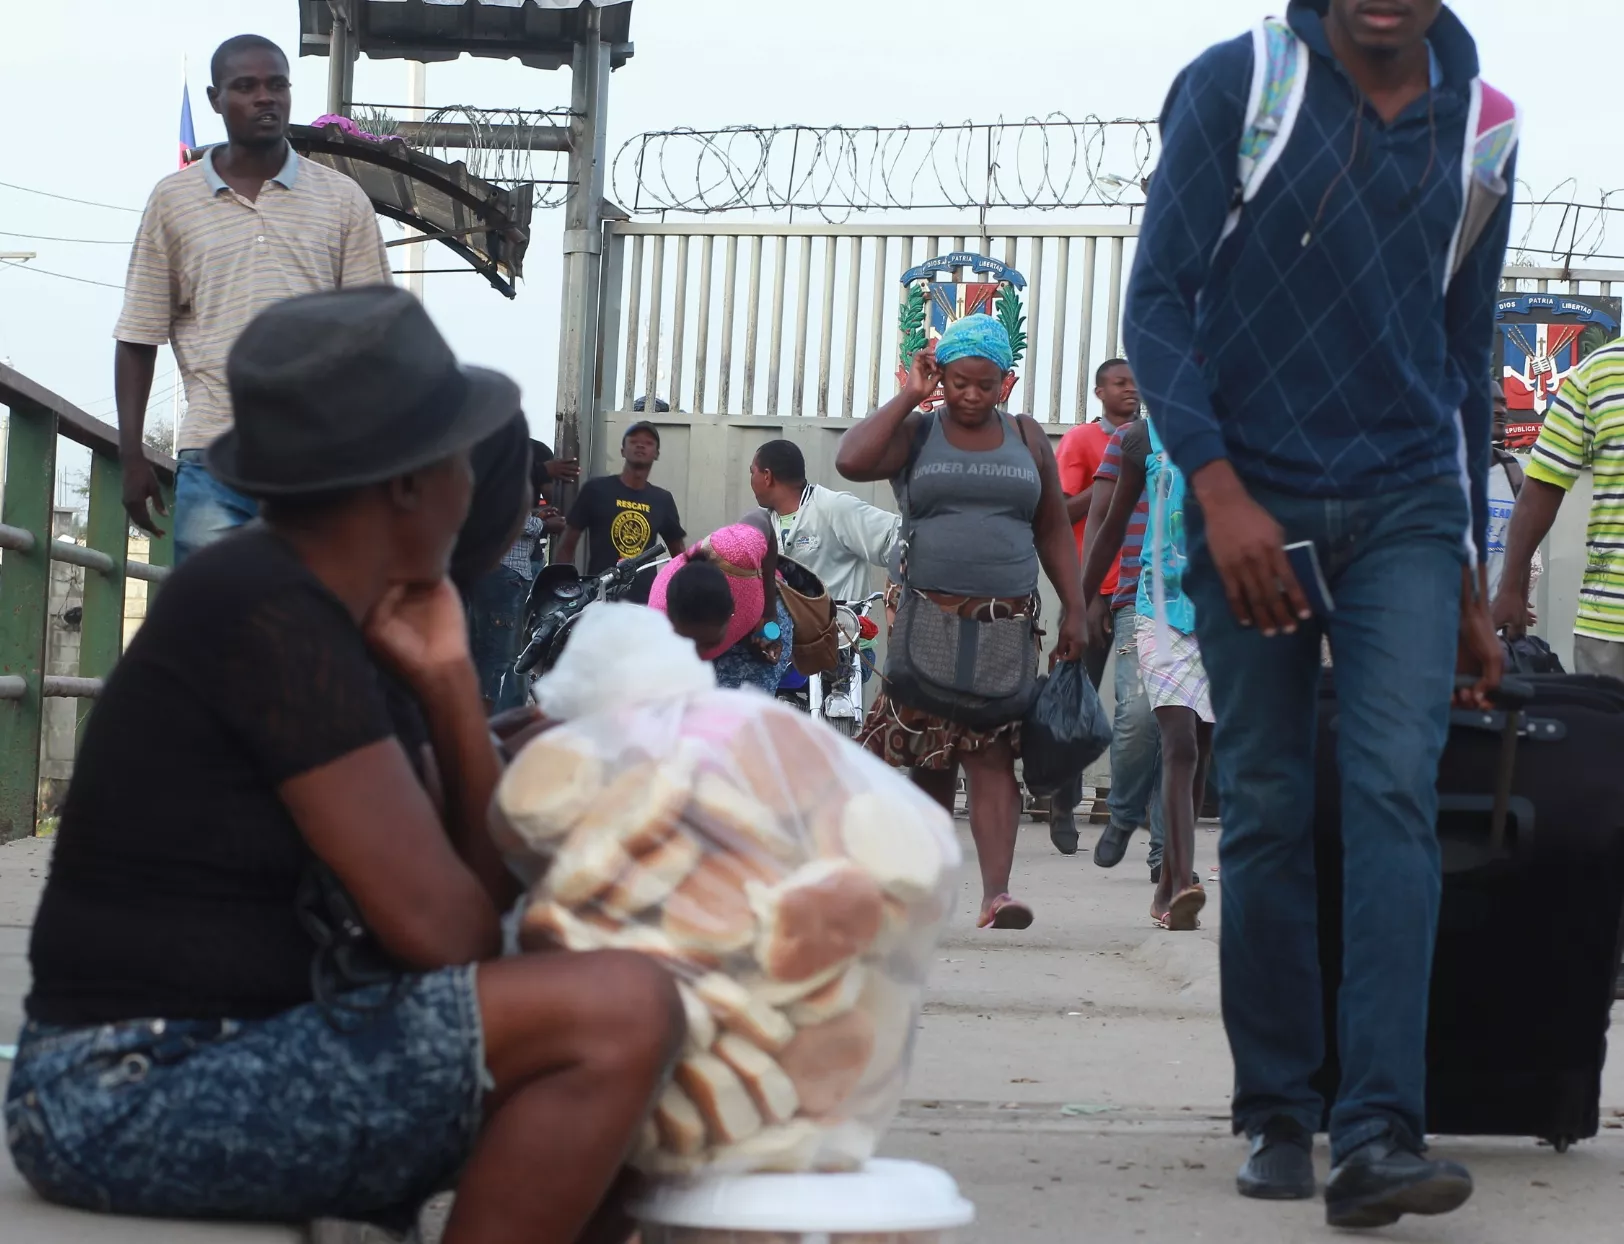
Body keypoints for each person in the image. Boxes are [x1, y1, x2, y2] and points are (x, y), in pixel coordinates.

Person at [4, 287, 682, 1244]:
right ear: (408, 484)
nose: (481, 481)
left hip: (237, 1047)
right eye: (457, 455)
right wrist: (453, 683)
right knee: (625, 1010)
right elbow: (450, 936)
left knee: (656, 1026)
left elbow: (473, 894)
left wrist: (451, 700)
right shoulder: (264, 609)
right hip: (130, 1088)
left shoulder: (345, 615)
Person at [1124, 0, 1511, 1225]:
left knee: (1394, 789)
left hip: (1403, 501)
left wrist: (1462, 574)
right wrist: (1220, 492)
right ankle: (1278, 1111)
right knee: (1274, 804)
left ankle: (1380, 1127)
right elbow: (1160, 305)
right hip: (1257, 496)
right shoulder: (1240, 87)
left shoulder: (1483, 129)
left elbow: (1463, 348)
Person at [835, 313, 1086, 931]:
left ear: (1008, 380)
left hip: (1006, 623)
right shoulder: (917, 432)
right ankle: (921, 891)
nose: (971, 396)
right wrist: (909, 396)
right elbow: (850, 461)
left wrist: (1075, 607)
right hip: (929, 618)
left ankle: (996, 894)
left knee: (993, 750)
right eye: (958, 382)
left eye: (986, 384)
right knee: (931, 754)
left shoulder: (1026, 437)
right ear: (939, 374)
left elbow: (1052, 523)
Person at [114, 34, 390, 563]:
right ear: (217, 99)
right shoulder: (173, 202)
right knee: (214, 632)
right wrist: (131, 455)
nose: (266, 97)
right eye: (246, 87)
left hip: (320, 462)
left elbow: (378, 335)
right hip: (216, 455)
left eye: (277, 84)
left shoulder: (341, 200)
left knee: (313, 627)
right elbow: (138, 333)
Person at [1081, 416, 1211, 930]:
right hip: (1162, 610)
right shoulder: (1143, 438)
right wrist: (1080, 602)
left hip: (1226, 616)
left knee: (1202, 749)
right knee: (1180, 742)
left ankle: (1166, 891)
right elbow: (1110, 524)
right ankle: (1182, 882)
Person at [1048, 358, 1144, 853]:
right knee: (1076, 702)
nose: (1131, 391)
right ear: (1098, 391)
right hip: (1092, 588)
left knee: (1138, 710)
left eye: (1135, 383)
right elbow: (1062, 511)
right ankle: (1063, 803)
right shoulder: (1083, 441)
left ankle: (1135, 809)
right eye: (1120, 383)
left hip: (1136, 589)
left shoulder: (1149, 441)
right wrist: (1112, 484)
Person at [1082, 420, 1168, 881]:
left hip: (1210, 605)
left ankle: (1166, 859)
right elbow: (1102, 518)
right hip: (1141, 595)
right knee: (1137, 717)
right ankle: (1123, 812)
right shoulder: (1135, 439)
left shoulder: (1236, 431)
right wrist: (1087, 596)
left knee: (1185, 733)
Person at [455, 436, 577, 711]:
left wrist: (535, 515)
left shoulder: (488, 455)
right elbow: (494, 513)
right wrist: (541, 525)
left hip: (500, 570)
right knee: (503, 657)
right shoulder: (498, 459)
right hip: (504, 570)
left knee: (492, 653)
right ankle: (496, 728)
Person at [648, 511, 795, 695]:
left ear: (734, 610)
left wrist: (769, 615)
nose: (698, 653)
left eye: (709, 643)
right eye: (688, 643)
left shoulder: (739, 551)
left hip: (766, 603)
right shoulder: (657, 629)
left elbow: (762, 518)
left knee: (742, 709)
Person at [749, 438, 900, 602]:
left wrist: (898, 589)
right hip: (786, 626)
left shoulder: (833, 507)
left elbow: (897, 538)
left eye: (752, 472)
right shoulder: (761, 521)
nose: (751, 479)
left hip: (840, 624)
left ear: (767, 476)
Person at [558, 421, 686, 599]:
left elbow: (678, 554)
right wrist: (564, 591)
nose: (640, 445)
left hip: (644, 603)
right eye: (633, 441)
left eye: (648, 442)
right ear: (622, 450)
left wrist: (679, 595)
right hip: (599, 598)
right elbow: (567, 544)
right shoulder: (595, 490)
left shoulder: (662, 499)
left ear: (656, 454)